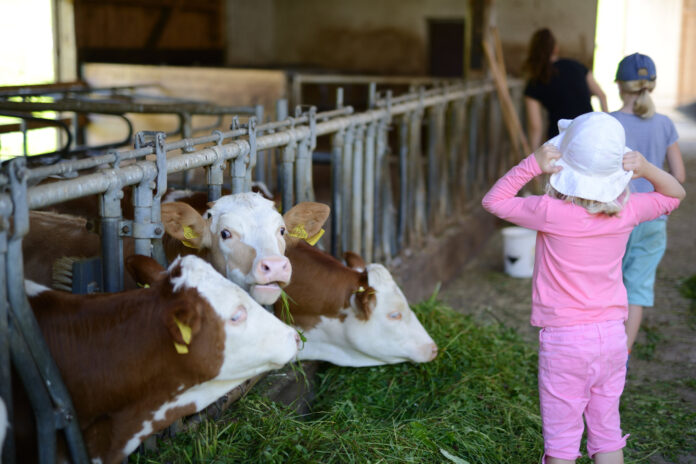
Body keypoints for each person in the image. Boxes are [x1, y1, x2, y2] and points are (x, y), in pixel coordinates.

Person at [482, 112, 685, 463]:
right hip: (612, 338)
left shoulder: (549, 211)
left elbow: (493, 201)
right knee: (606, 433)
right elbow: (675, 194)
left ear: (566, 166)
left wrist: (532, 164)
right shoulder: (628, 210)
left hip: (565, 343)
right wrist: (648, 168)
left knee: (562, 440)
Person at [610, 53, 686, 355]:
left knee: (610, 281)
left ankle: (602, 344)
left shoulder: (610, 123)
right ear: (651, 86)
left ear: (619, 85)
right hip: (653, 220)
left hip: (615, 216)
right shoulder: (665, 124)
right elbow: (678, 176)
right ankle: (622, 356)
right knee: (637, 289)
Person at [523, 28, 608, 150]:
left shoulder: (535, 81)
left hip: (560, 140)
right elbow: (601, 95)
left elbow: (535, 126)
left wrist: (532, 156)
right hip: (589, 132)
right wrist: (606, 127)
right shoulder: (577, 66)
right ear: (555, 48)